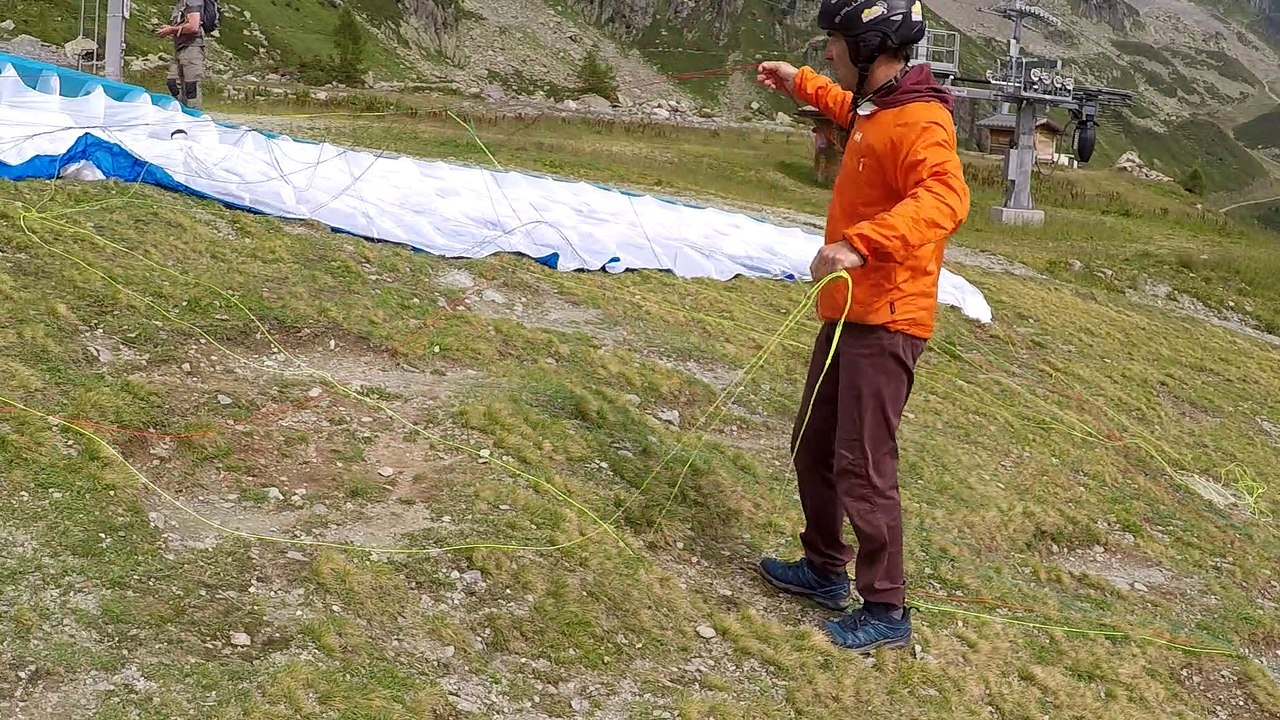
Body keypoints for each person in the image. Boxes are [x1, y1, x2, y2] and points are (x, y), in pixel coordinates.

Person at [754, 0, 971, 653]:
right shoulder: (877, 106)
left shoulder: (923, 120)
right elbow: (851, 113)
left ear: (870, 48)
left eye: (835, 43)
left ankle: (886, 607)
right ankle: (824, 569)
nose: (829, 52)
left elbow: (946, 198)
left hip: (890, 320)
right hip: (850, 311)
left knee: (863, 464)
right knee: (811, 445)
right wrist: (798, 81)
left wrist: (861, 243)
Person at [157, 0, 207, 110]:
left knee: (191, 88)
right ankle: (179, 113)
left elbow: (193, 26)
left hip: (192, 48)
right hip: (179, 49)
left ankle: (193, 118)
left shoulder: (193, 1)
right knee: (173, 83)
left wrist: (171, 30)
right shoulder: (181, 3)